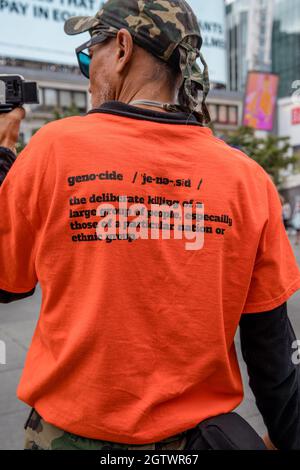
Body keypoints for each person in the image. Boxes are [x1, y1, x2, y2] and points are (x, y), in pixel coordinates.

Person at [0, 0, 300, 451]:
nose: (87, 76)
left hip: (68, 436)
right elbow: (272, 346)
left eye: (88, 55)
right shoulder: (247, 179)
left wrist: (5, 152)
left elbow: (9, 281)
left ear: (121, 48)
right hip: (199, 443)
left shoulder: (53, 151)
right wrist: (289, 436)